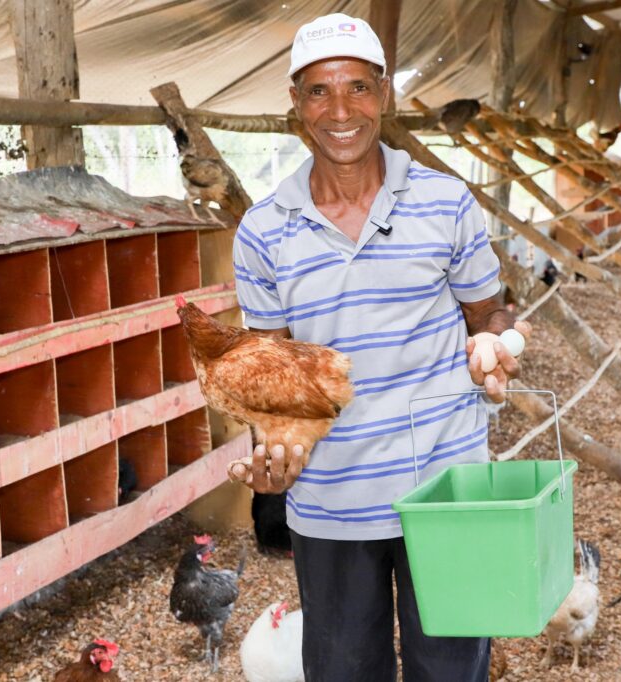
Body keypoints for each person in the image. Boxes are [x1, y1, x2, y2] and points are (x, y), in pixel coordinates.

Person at [227, 13, 530, 681]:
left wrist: (494, 342)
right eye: (318, 91)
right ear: (295, 104)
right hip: (334, 496)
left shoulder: (445, 202)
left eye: (358, 88)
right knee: (342, 671)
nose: (340, 110)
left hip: (448, 491)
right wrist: (273, 449)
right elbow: (273, 373)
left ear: (385, 96)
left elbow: (487, 309)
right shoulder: (263, 232)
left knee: (451, 671)